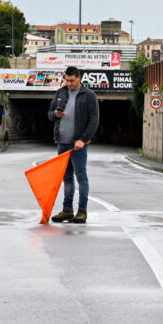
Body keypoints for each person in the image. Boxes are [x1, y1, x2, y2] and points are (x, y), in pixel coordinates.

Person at [47, 66, 99, 224]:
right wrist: (55, 114)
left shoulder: (88, 95)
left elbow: (94, 120)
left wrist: (83, 139)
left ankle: (82, 211)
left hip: (77, 144)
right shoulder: (61, 93)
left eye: (72, 81)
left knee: (81, 177)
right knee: (67, 178)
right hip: (61, 142)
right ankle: (67, 210)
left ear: (79, 78)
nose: (69, 83)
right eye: (67, 80)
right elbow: (49, 113)